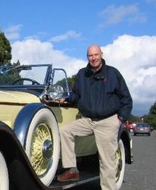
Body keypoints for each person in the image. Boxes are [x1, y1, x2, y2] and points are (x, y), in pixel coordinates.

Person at [56, 44, 133, 190]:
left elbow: (126, 99)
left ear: (101, 55)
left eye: (96, 55)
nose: (93, 58)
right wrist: (65, 99)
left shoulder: (113, 73)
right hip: (88, 120)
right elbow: (76, 95)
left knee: (106, 161)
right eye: (90, 56)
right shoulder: (82, 74)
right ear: (87, 57)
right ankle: (72, 170)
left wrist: (120, 119)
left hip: (108, 121)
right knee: (65, 131)